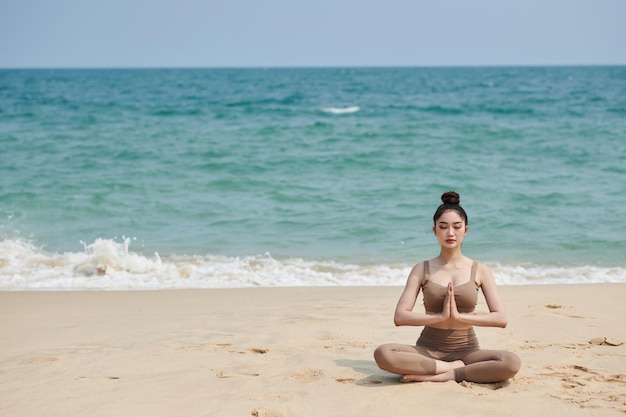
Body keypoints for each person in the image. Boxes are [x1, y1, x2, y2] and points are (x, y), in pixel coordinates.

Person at [373, 191, 521, 383]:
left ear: (465, 230)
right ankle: (450, 368)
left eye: (456, 227)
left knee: (510, 362)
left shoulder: (480, 270)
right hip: (427, 350)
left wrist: (459, 317)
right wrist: (439, 317)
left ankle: (446, 375)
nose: (450, 233)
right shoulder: (421, 269)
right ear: (435, 231)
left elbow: (501, 318)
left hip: (467, 352)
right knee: (383, 353)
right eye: (443, 227)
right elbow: (400, 316)